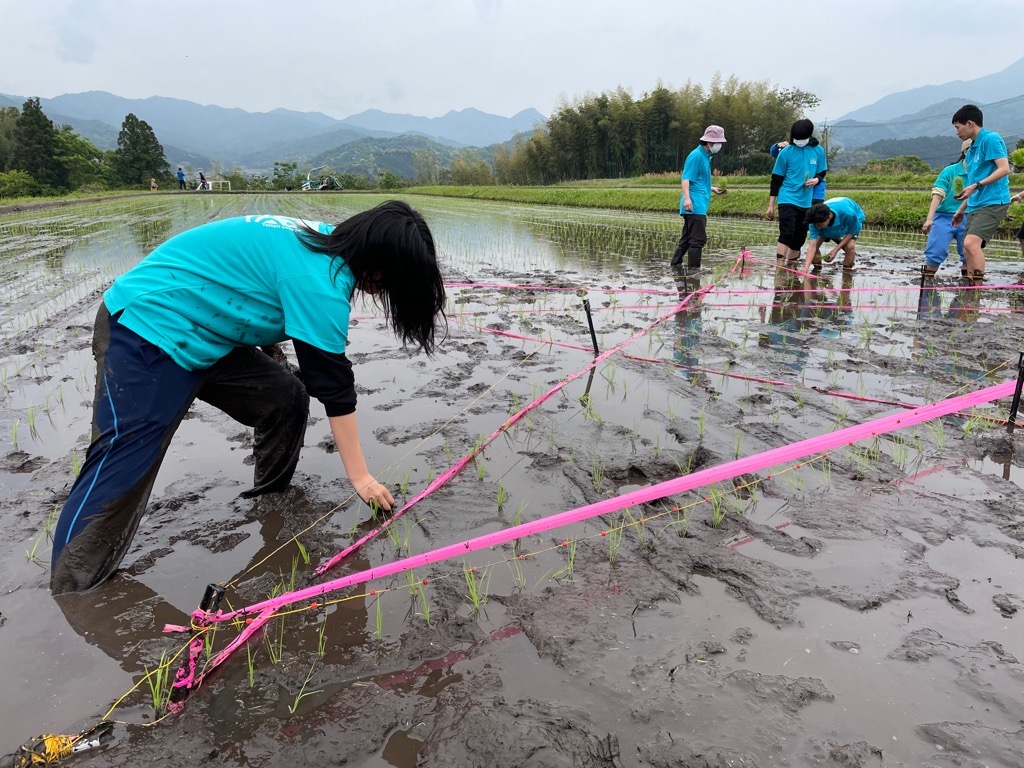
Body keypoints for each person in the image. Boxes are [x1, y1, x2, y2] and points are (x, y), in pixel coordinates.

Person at [49, 200, 447, 594]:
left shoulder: (326, 243)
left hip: (208, 331)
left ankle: (269, 500)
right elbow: (333, 386)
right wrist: (360, 477)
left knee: (283, 397)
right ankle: (72, 588)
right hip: (149, 327)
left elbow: (255, 289)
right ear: (379, 267)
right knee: (125, 457)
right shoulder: (320, 279)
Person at [950, 104, 1012, 286]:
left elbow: (1004, 169)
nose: (957, 132)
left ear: (970, 123)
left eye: (957, 127)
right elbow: (972, 185)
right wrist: (961, 209)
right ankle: (970, 287)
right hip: (976, 203)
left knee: (971, 244)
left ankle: (977, 289)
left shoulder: (991, 139)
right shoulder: (971, 151)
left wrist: (977, 185)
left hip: (994, 200)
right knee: (966, 247)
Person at [766, 119, 828, 265]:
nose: (798, 141)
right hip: (787, 197)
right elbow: (776, 179)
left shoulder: (818, 151)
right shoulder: (786, 152)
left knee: (799, 236)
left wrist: (816, 180)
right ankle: (780, 268)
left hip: (806, 200)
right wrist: (771, 205)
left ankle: (792, 267)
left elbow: (822, 171)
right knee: (786, 233)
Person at [670, 125, 727, 269]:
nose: (719, 146)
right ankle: (693, 272)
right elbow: (686, 179)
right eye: (718, 143)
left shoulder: (705, 156)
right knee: (697, 239)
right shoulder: (696, 156)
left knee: (687, 239)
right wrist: (687, 199)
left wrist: (712, 188)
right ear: (710, 142)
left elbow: (699, 180)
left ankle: (675, 265)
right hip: (695, 205)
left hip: (698, 202)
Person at [921, 139, 972, 276]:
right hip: (945, 216)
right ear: (966, 151)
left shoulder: (981, 173)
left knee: (969, 253)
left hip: (970, 216)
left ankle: (968, 292)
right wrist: (929, 218)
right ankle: (926, 289)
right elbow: (938, 194)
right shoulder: (950, 171)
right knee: (935, 252)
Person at [803, 197, 866, 272]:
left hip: (851, 220)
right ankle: (817, 270)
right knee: (815, 247)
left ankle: (847, 273)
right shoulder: (814, 221)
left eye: (819, 225)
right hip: (829, 225)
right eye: (815, 224)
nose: (817, 227)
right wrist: (805, 269)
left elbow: (852, 231)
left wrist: (835, 250)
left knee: (849, 247)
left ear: (828, 217)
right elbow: (812, 247)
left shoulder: (847, 213)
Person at [769, 139, 826, 204]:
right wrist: (777, 146)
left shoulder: (817, 150)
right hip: (793, 194)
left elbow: (822, 171)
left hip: (815, 193)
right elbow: (775, 153)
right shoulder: (790, 149)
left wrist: (817, 179)